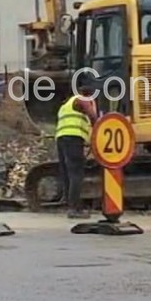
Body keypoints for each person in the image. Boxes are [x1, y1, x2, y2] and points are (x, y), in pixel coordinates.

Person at [55, 84, 99, 219]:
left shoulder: (65, 105)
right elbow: (92, 116)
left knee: (67, 174)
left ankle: (69, 205)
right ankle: (74, 209)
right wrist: (99, 126)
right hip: (73, 139)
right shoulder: (83, 99)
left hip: (61, 139)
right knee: (76, 173)